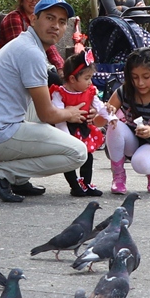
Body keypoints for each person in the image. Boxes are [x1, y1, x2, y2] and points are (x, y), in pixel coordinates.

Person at [0, 0, 89, 196]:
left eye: (62, 22)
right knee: (78, 153)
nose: (56, 25)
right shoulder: (31, 52)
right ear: (34, 19)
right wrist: (70, 113)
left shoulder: (27, 44)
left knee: (41, 107)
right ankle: (0, 173)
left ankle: (18, 180)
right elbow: (47, 115)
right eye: (50, 18)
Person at [105, 49, 150, 194]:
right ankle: (118, 175)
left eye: (146, 77)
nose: (140, 83)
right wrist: (106, 112)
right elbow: (98, 122)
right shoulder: (124, 91)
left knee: (140, 163)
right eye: (134, 77)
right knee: (114, 125)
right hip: (132, 140)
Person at [51, 51, 107, 197]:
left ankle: (86, 183)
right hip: (65, 129)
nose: (90, 82)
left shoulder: (90, 91)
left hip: (83, 130)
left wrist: (111, 117)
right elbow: (58, 114)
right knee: (69, 159)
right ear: (72, 78)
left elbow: (99, 106)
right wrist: (65, 136)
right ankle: (74, 185)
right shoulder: (59, 93)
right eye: (87, 78)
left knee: (88, 157)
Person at [0, 0, 66, 72]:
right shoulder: (14, 18)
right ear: (21, 1)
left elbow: (49, 46)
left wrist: (61, 68)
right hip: (15, 67)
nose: (34, 2)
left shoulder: (40, 20)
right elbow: (20, 51)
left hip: (37, 63)